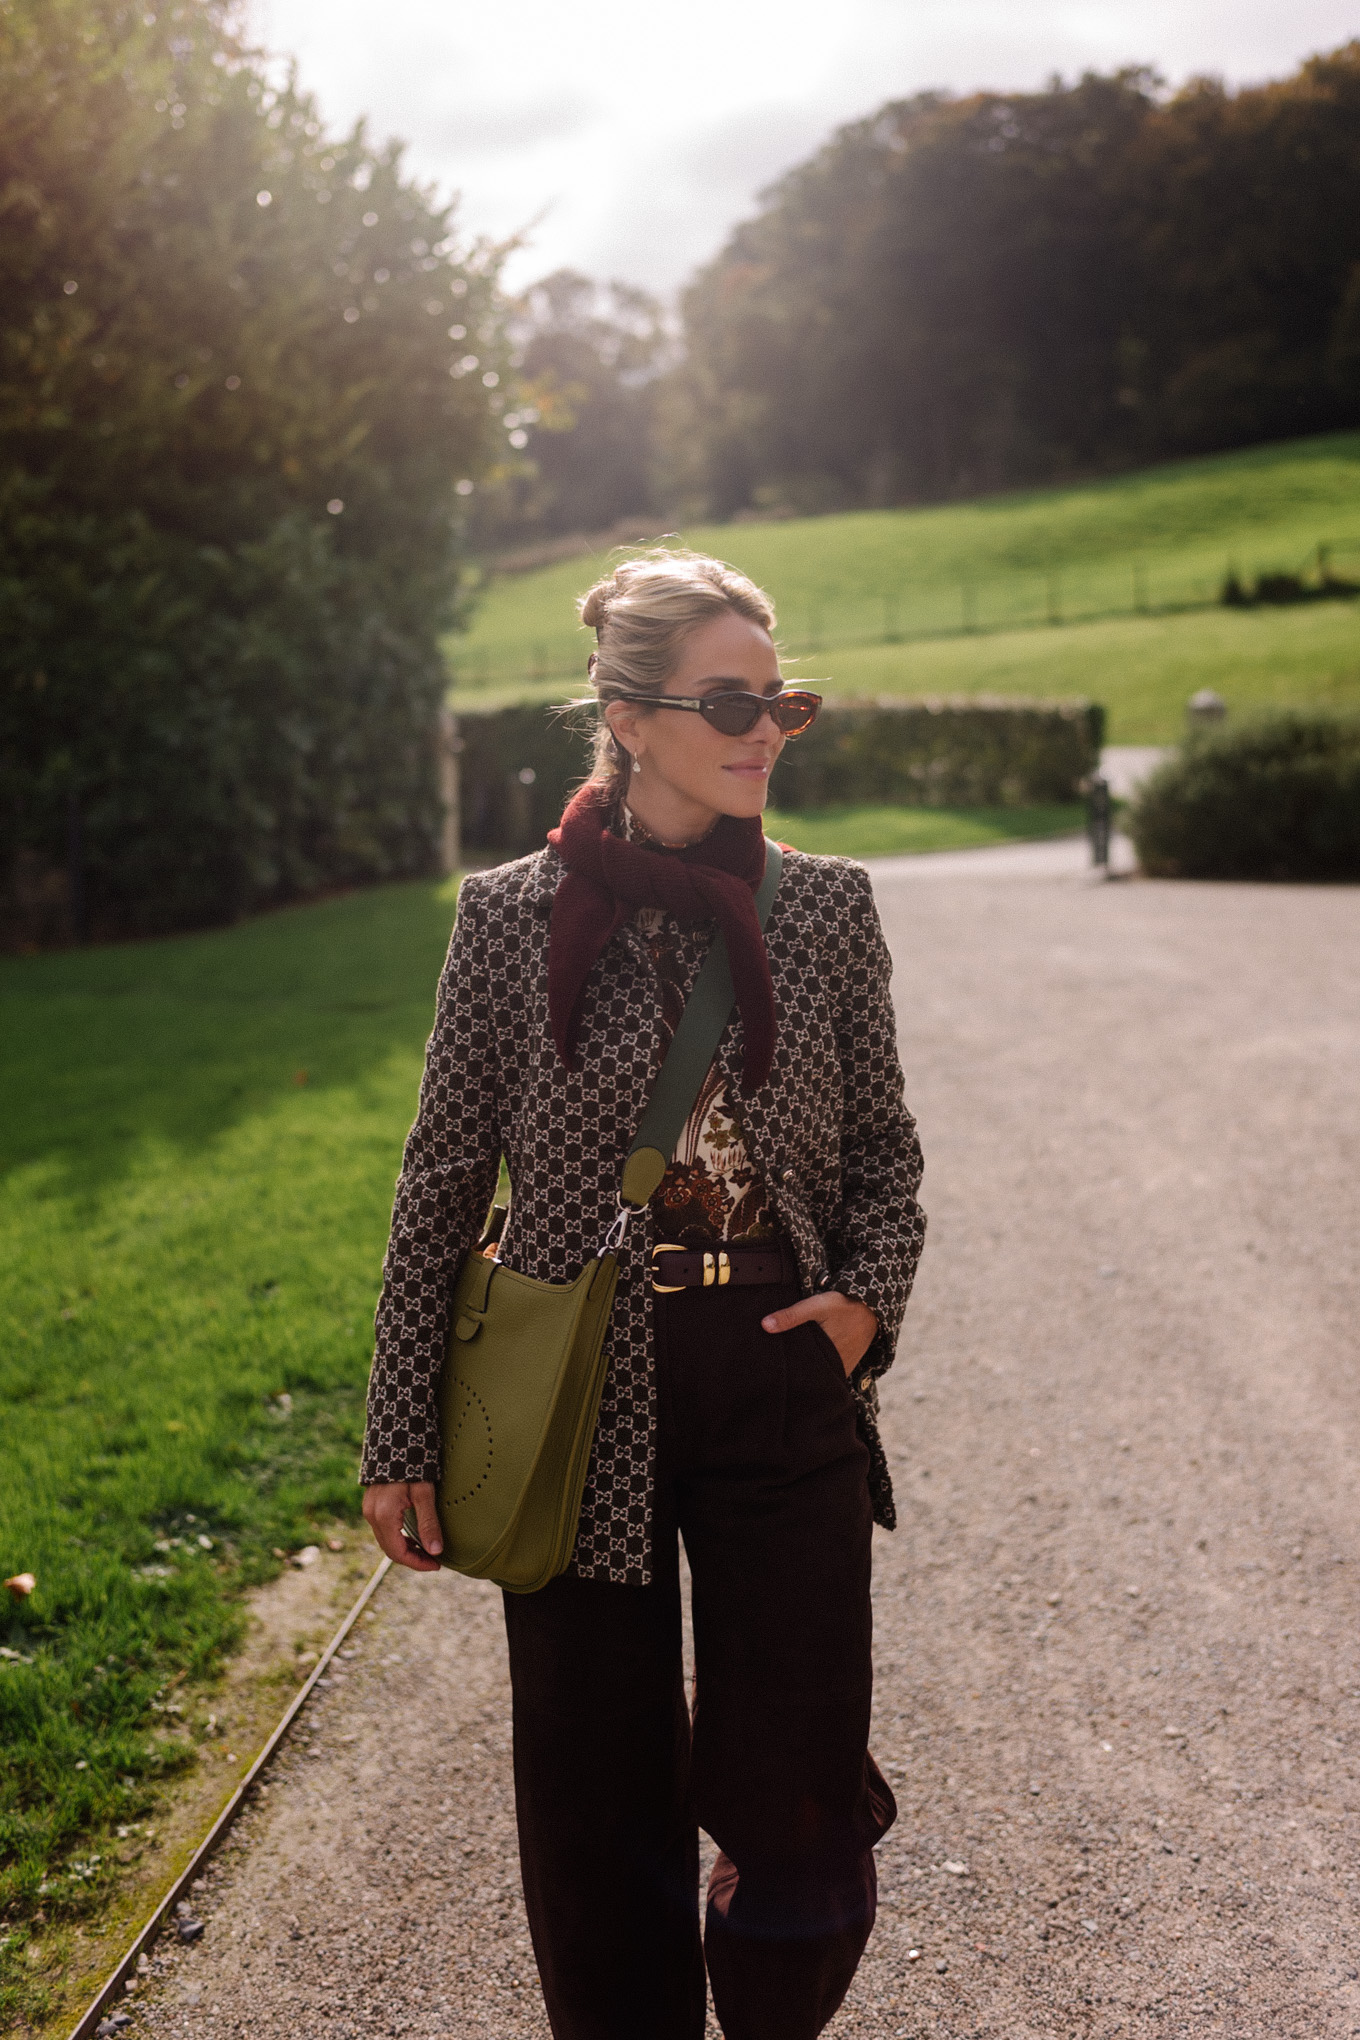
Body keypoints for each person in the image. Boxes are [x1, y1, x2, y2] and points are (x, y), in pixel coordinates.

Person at [360, 550, 926, 2040]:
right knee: (596, 1807)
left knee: (801, 1797)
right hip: (573, 1396)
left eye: (781, 702)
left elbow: (886, 1153)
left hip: (777, 1371)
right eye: (731, 702)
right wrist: (397, 1433)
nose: (765, 731)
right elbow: (438, 1179)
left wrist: (866, 1304)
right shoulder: (509, 917)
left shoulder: (826, 911)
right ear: (626, 710)